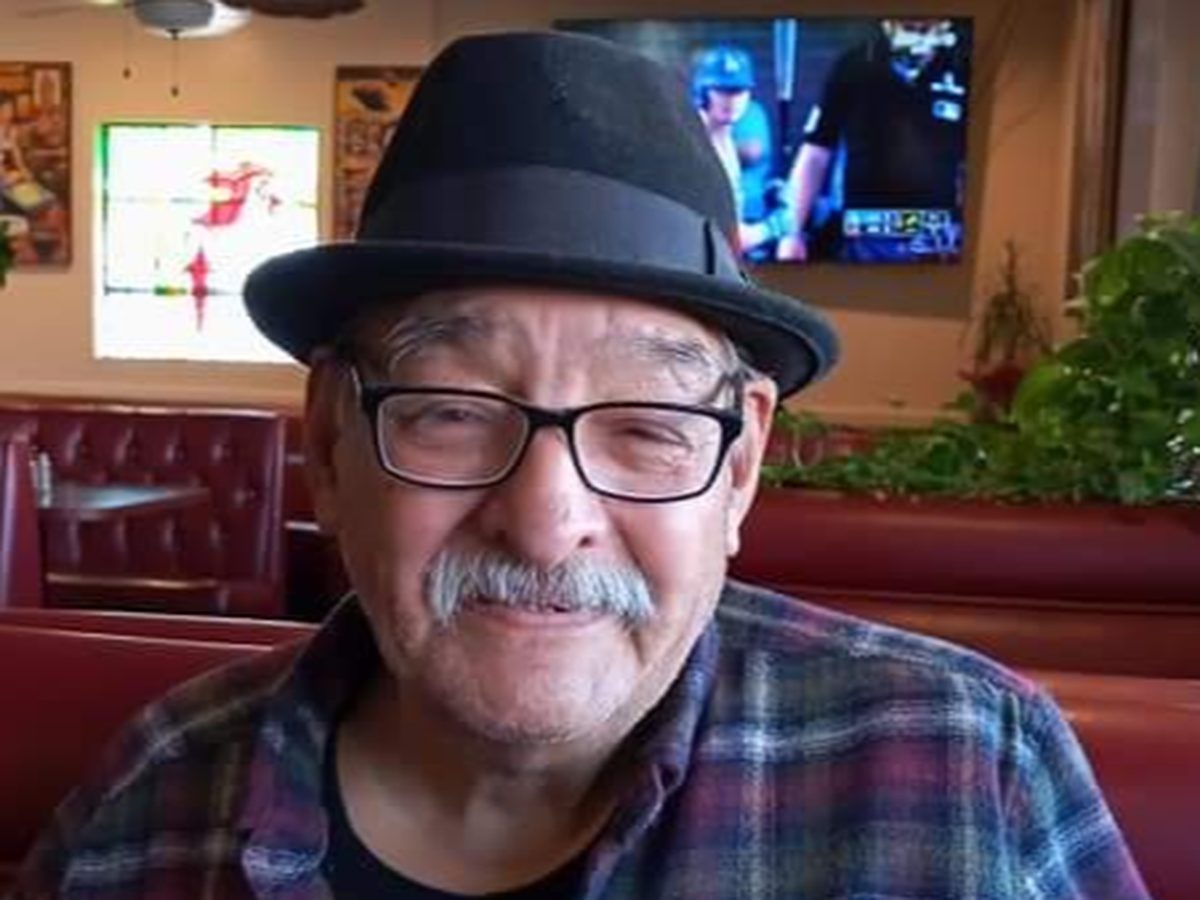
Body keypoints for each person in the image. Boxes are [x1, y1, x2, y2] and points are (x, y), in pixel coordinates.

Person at [13, 31, 1149, 899]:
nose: (547, 520)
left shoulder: (964, 771)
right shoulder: (157, 799)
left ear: (740, 465)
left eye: (646, 426)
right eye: (451, 412)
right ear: (328, 440)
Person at [777, 18, 970, 263]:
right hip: (863, 236)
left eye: (924, 29)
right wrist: (792, 233)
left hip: (937, 238)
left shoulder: (962, 67)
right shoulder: (854, 65)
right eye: (909, 28)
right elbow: (815, 152)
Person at [691, 45, 790, 260]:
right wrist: (777, 225)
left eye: (739, 91)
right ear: (702, 92)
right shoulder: (696, 140)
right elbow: (731, 240)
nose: (732, 100)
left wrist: (772, 191)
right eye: (722, 91)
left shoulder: (724, 137)